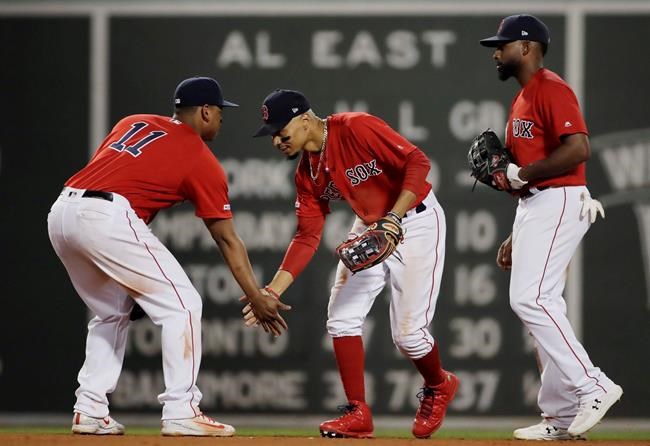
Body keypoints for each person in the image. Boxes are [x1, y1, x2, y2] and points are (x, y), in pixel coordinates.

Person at [47, 77, 290, 437]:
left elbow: (122, 177)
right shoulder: (200, 158)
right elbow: (227, 239)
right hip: (107, 217)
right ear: (205, 111)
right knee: (184, 305)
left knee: (111, 312)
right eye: (220, 111)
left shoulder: (131, 122)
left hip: (63, 211)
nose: (222, 119)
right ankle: (181, 408)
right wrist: (255, 294)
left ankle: (90, 408)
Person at [245, 89, 458, 439]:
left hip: (416, 219)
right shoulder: (307, 175)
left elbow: (418, 162)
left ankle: (439, 384)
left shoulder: (355, 127)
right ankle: (358, 412)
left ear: (305, 119)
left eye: (281, 132)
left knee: (408, 337)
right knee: (341, 317)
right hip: (372, 225)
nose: (277, 141)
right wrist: (270, 291)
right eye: (271, 135)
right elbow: (306, 236)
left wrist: (393, 216)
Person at [479, 14, 622, 440]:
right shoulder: (524, 97)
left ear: (526, 47)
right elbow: (528, 174)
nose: (496, 54)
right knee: (543, 307)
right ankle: (559, 416)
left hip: (561, 199)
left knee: (530, 300)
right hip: (537, 205)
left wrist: (524, 175)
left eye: (502, 46)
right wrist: (515, 230)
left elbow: (578, 149)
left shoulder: (551, 88)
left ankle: (593, 385)